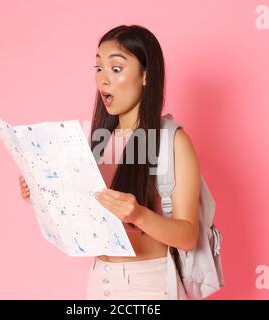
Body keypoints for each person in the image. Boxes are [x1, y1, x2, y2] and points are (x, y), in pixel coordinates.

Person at [18, 25, 201, 300]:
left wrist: (138, 214)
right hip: (100, 280)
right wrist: (42, 193)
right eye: (99, 67)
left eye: (116, 69)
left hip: (148, 285)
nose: (103, 79)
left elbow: (188, 236)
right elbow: (85, 218)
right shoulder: (99, 141)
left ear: (145, 76)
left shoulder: (171, 141)